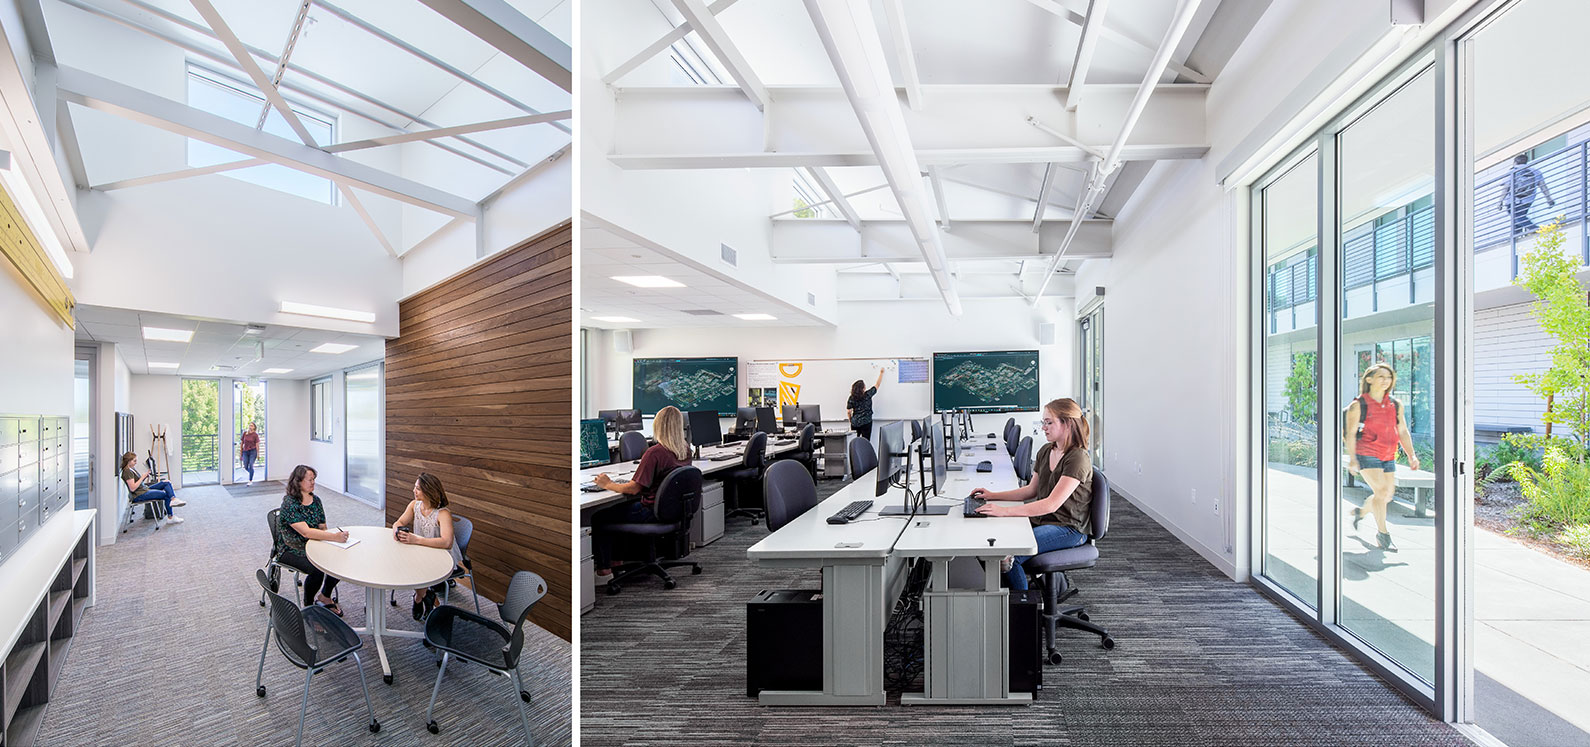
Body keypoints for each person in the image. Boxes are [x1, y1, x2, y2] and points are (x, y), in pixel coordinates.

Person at [970, 398, 1093, 590]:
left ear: (1067, 423)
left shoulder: (1077, 458)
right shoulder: (1046, 450)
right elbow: (1030, 490)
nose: (1043, 427)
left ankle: (1024, 615)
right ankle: (1006, 603)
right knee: (989, 545)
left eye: (1048, 422)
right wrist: (992, 495)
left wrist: (1004, 511)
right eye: (1043, 422)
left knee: (1007, 557)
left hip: (1068, 528)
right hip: (1044, 519)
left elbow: (1051, 504)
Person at [590, 406, 692, 576]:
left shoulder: (655, 453)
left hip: (651, 511)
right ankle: (617, 560)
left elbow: (633, 488)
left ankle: (605, 568)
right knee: (620, 509)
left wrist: (607, 484)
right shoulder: (685, 450)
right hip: (672, 510)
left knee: (599, 517)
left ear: (659, 425)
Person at [1344, 363, 1420, 553]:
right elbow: (1350, 434)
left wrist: (1412, 455)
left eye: (1389, 377)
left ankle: (1360, 512)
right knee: (1382, 491)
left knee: (1385, 495)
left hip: (1388, 454)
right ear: (1369, 379)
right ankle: (1383, 535)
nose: (1386, 380)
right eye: (1381, 377)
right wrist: (1353, 458)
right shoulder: (1358, 405)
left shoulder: (1395, 405)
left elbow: (1402, 430)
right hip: (1366, 453)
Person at [392, 473, 465, 621]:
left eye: (417, 489)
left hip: (443, 556)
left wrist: (417, 540)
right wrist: (396, 531)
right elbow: (398, 523)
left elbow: (447, 542)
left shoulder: (442, 513)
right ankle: (426, 596)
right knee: (404, 562)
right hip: (422, 552)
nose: (414, 491)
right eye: (415, 487)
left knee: (414, 568)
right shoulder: (414, 505)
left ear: (428, 491)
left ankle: (420, 598)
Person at [275, 465, 346, 614]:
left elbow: (322, 528)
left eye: (314, 479)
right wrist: (333, 537)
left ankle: (325, 596)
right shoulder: (290, 503)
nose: (313, 483)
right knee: (318, 567)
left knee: (339, 559)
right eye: (309, 480)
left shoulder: (316, 501)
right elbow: (306, 533)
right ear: (298, 482)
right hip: (291, 549)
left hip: (314, 544)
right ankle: (309, 606)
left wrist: (332, 540)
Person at [119, 451, 185, 524]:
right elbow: (133, 488)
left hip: (144, 489)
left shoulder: (131, 469)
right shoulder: (127, 472)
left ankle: (174, 499)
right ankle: (170, 517)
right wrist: (142, 477)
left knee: (166, 483)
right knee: (166, 495)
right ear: (128, 461)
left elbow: (137, 483)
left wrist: (144, 476)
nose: (136, 462)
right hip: (140, 494)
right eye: (134, 461)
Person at [1499, 153, 1555, 235]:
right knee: (1518, 219)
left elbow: (1506, 188)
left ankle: (1536, 230)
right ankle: (1515, 238)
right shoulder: (1535, 171)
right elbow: (1543, 187)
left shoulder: (1512, 171)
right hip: (1527, 201)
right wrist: (1549, 199)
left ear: (1515, 162)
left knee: (1517, 218)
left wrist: (1500, 201)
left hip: (1512, 201)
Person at [847, 368, 885, 441]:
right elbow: (877, 384)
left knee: (855, 442)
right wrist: (881, 373)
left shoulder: (851, 398)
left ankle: (855, 452)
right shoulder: (868, 395)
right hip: (866, 422)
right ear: (863, 388)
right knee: (866, 442)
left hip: (855, 423)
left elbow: (849, 411)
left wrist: (850, 420)